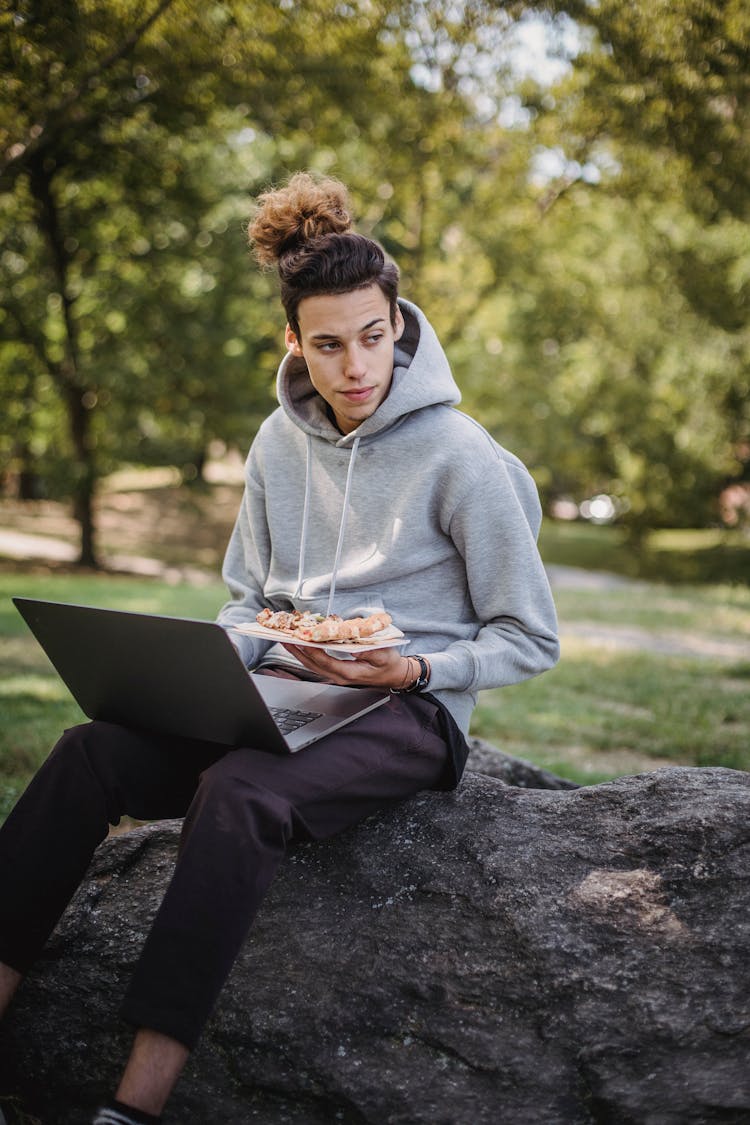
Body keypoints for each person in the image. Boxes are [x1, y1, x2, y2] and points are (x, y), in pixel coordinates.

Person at [0, 172, 559, 1124]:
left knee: (239, 792)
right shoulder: (274, 441)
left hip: (410, 709)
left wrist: (419, 668)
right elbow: (245, 597)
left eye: (374, 338)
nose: (356, 366)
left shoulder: (460, 456)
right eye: (330, 344)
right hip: (283, 691)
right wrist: (236, 657)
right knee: (87, 751)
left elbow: (529, 635)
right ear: (295, 342)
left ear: (401, 325)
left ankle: (132, 1105)